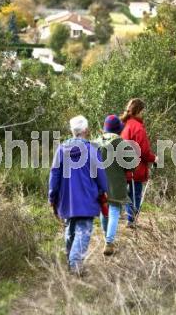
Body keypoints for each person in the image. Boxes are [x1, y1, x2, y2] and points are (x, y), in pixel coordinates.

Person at [48, 115, 108, 275]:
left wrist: (52, 196)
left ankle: (70, 260)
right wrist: (105, 189)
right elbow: (100, 173)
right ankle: (75, 264)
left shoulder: (61, 149)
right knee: (83, 231)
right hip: (87, 197)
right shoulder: (91, 149)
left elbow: (54, 174)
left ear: (72, 131)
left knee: (70, 229)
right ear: (86, 130)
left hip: (66, 198)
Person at [94, 115, 132, 256]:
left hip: (99, 185)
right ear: (118, 130)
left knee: (104, 211)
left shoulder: (95, 142)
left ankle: (106, 238)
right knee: (114, 211)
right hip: (116, 184)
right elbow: (132, 164)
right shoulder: (120, 143)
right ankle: (109, 242)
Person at [120, 98, 157, 228]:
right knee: (135, 194)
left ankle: (128, 219)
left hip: (123, 165)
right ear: (139, 110)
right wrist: (154, 159)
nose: (143, 113)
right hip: (136, 167)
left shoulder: (125, 124)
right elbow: (143, 151)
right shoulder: (137, 127)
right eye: (142, 111)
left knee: (128, 194)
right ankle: (131, 221)